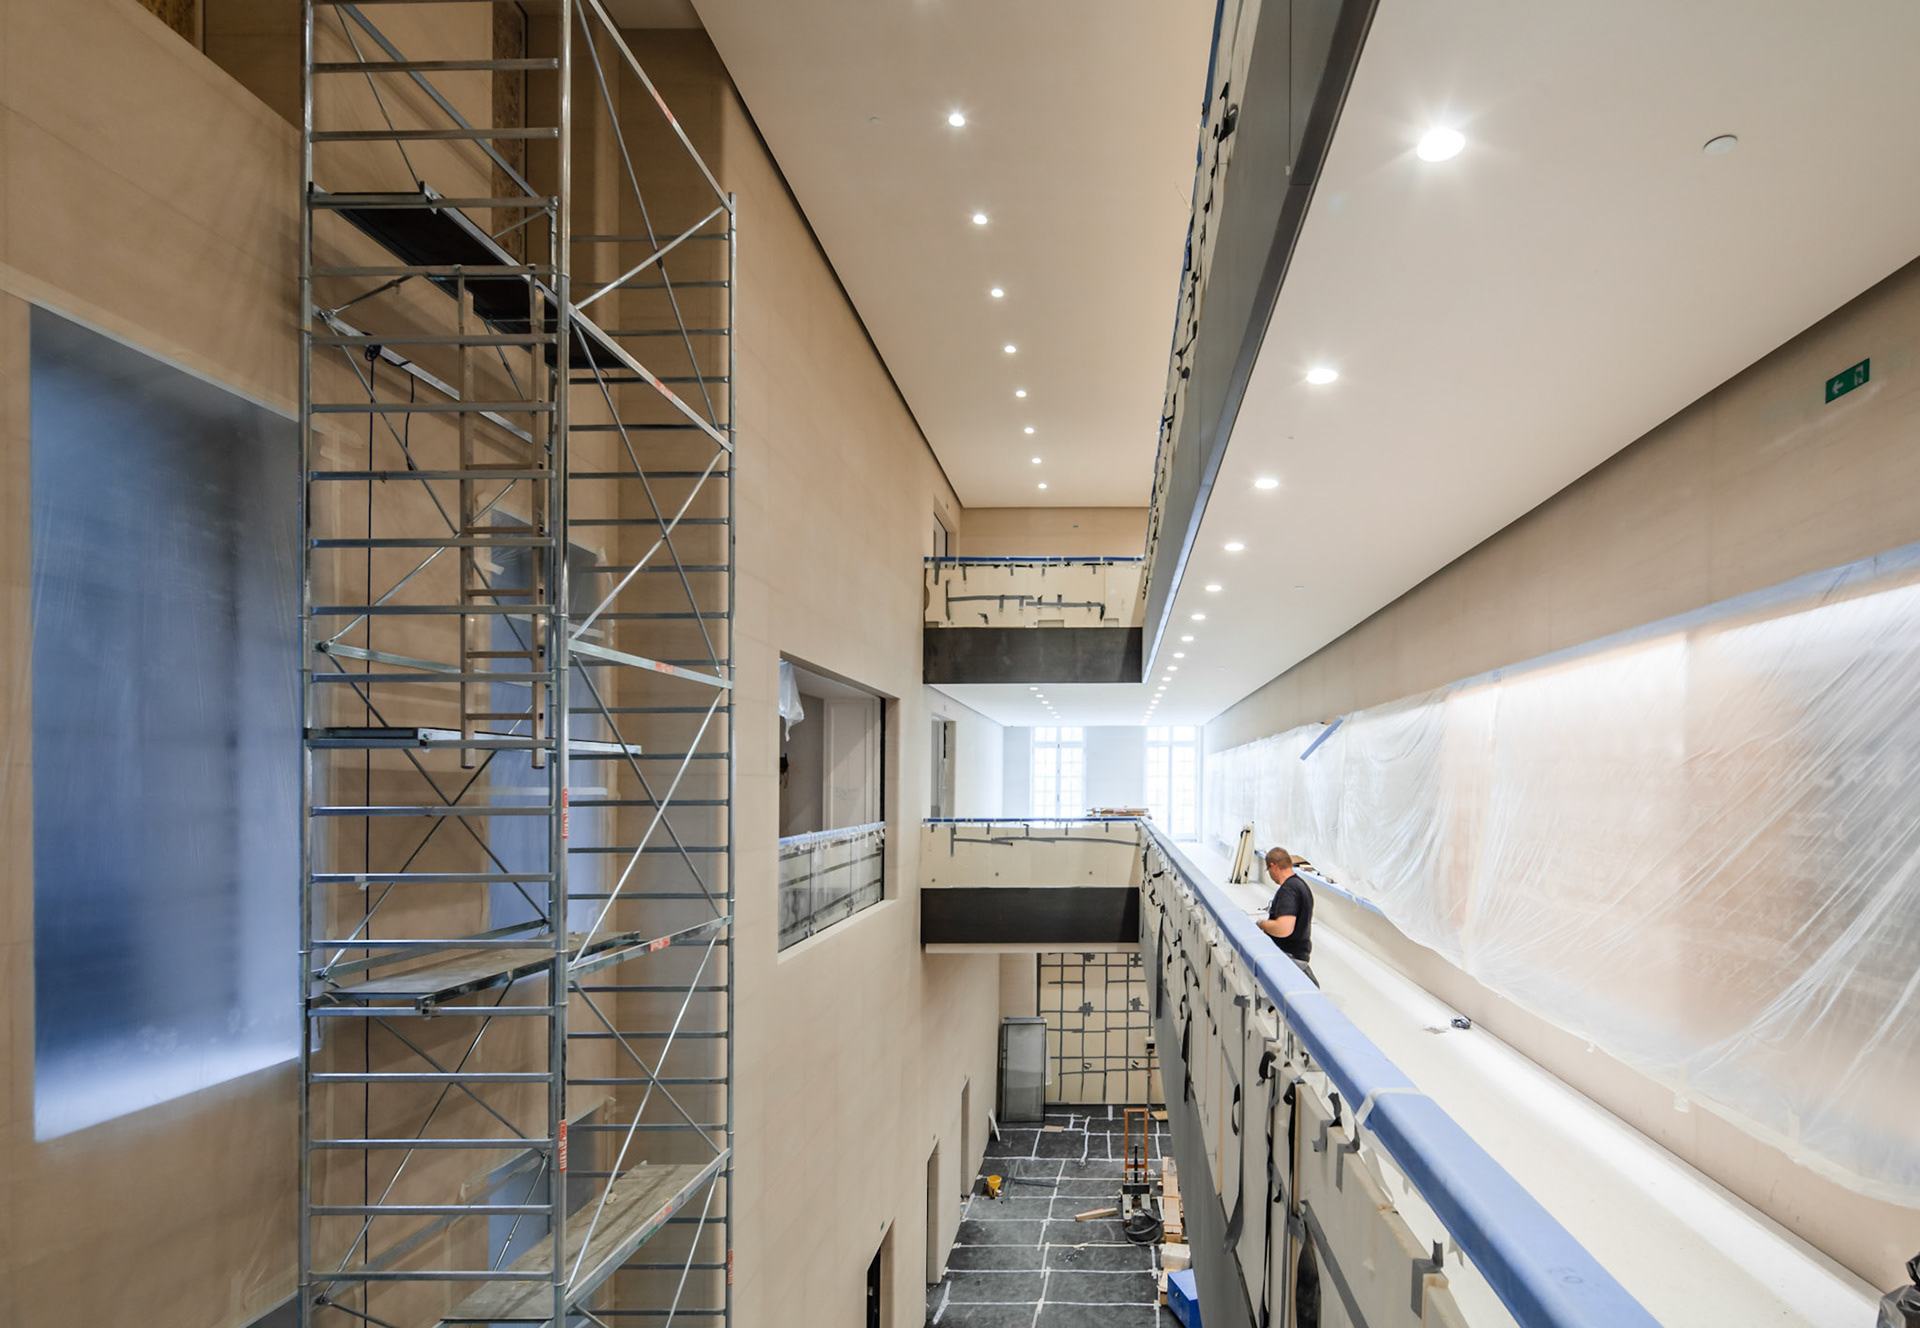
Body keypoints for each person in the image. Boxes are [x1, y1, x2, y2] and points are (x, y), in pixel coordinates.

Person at [1255, 846, 1316, 986]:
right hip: (1298, 956)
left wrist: (1261, 924)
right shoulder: (1301, 885)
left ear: (1273, 866)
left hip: (1290, 959)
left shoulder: (1289, 889)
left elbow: (1283, 928)